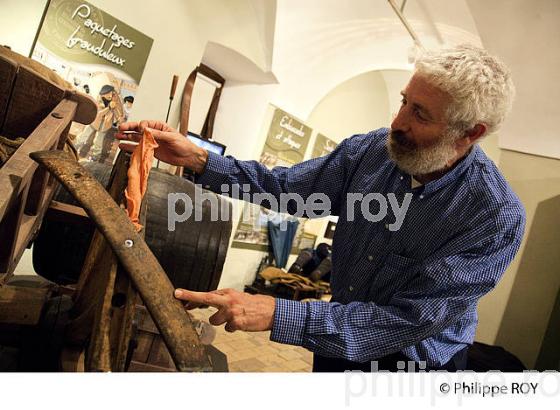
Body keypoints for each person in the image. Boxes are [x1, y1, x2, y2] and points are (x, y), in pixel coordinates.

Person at [116, 45, 525, 372]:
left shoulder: (493, 216)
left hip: (413, 366)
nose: (397, 122)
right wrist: (199, 159)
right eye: (404, 101)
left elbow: (408, 321)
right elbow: (285, 190)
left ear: (470, 133)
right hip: (337, 342)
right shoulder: (370, 152)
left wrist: (280, 312)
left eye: (420, 113)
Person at [75, 84, 124, 162]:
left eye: (112, 93)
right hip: (94, 121)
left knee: (98, 142)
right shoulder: (98, 99)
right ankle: (74, 148)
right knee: (84, 136)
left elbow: (119, 112)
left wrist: (118, 117)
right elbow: (99, 113)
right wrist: (109, 107)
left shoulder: (115, 99)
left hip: (105, 125)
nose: (110, 95)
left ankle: (94, 157)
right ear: (103, 93)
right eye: (108, 93)